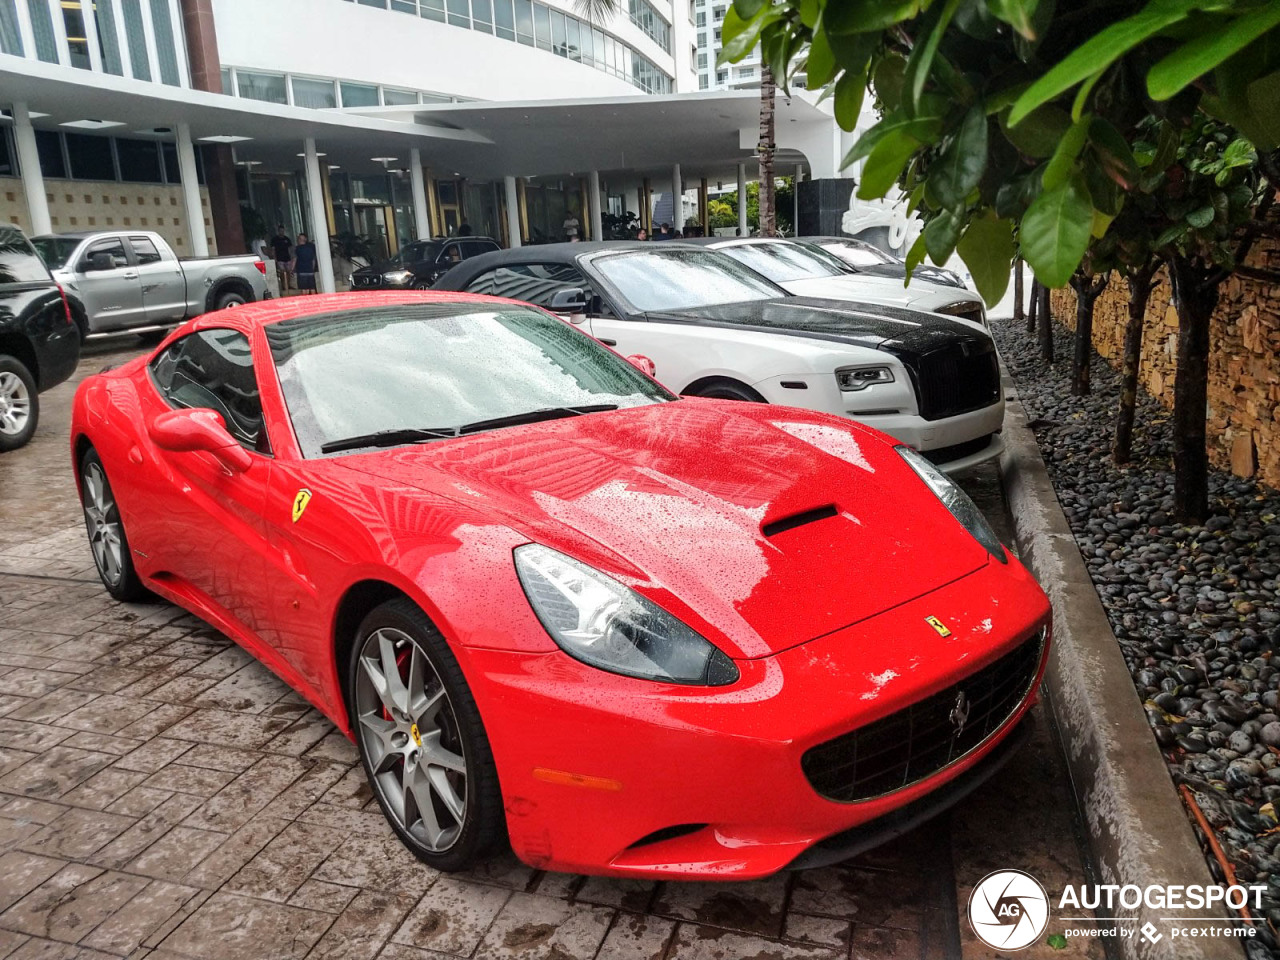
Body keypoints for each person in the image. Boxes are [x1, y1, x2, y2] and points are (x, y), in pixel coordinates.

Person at [270, 226, 293, 292]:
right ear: (278, 231)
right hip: (280, 258)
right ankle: (284, 285)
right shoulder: (275, 239)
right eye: (280, 231)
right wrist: (275, 258)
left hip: (287, 258)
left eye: (283, 231)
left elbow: (290, 249)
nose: (282, 232)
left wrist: (291, 257)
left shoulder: (287, 239)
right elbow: (273, 250)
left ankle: (288, 285)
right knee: (282, 273)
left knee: (288, 272)